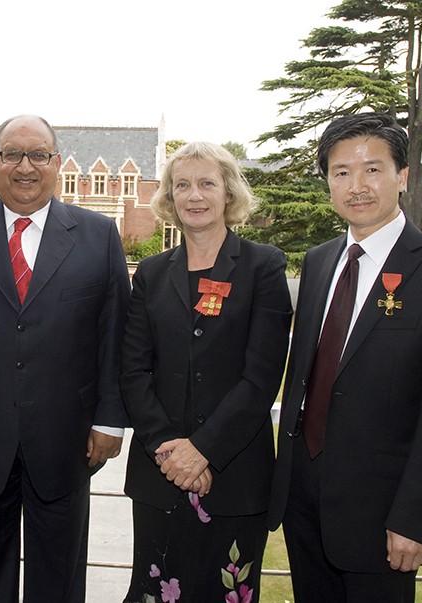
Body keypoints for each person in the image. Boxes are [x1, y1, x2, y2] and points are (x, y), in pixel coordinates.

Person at [268, 112, 422, 602]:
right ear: (328, 181)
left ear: (402, 176)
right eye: (341, 172)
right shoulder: (321, 260)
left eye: (373, 168)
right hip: (303, 498)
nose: (357, 185)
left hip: (384, 513)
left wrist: (418, 518)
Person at [0, 114, 131, 602]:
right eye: (12, 154)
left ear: (56, 162)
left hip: (68, 440)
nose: (25, 167)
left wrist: (110, 421)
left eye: (38, 155)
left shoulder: (99, 236)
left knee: (58, 579)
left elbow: (114, 334)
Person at [119, 142, 292, 603]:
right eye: (182, 185)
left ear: (229, 192)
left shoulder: (263, 267)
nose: (194, 195)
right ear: (169, 197)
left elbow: (261, 377)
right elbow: (133, 370)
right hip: (160, 475)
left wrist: (204, 452)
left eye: (206, 183)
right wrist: (171, 453)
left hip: (234, 477)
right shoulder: (152, 273)